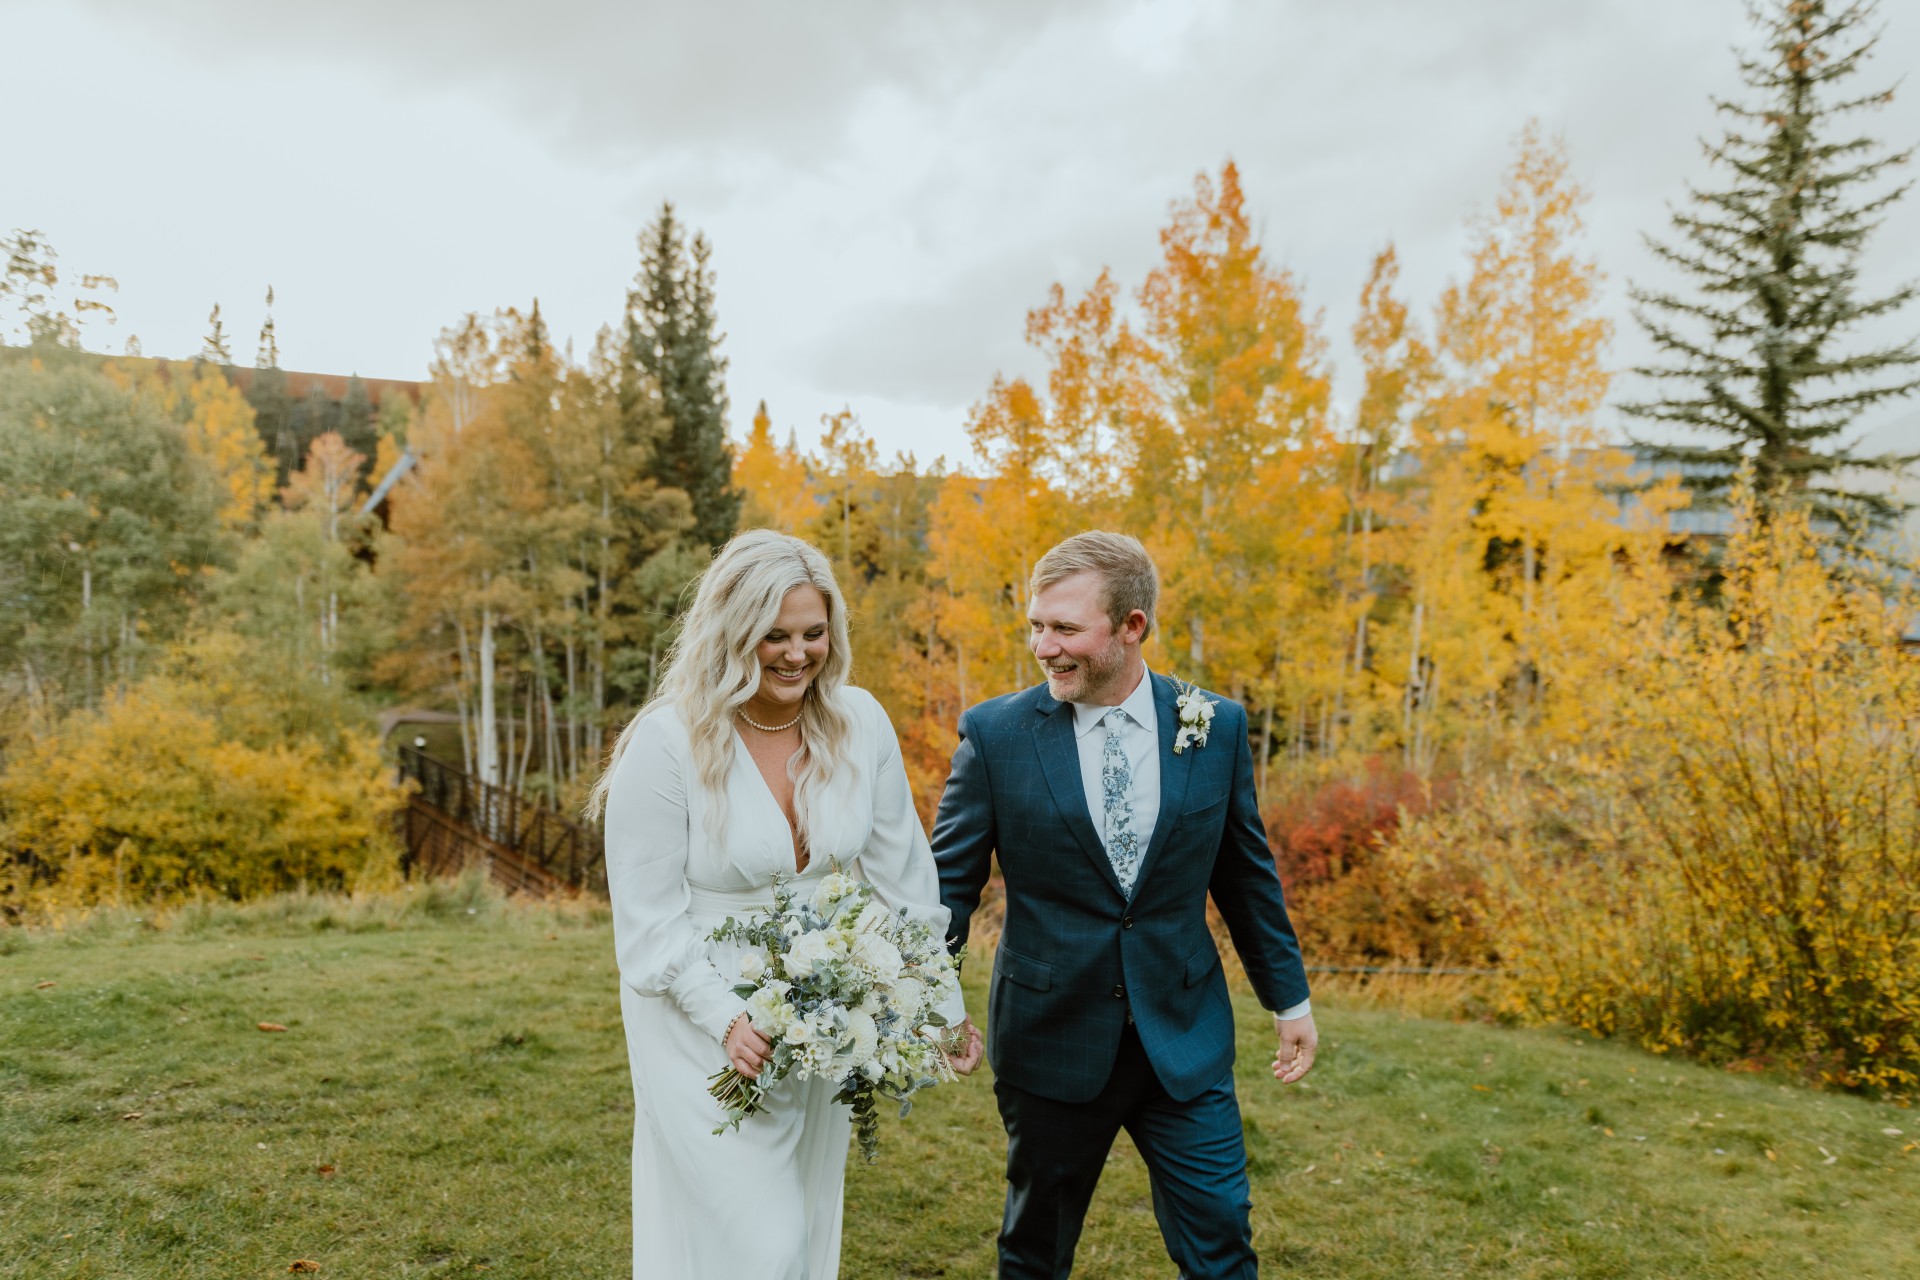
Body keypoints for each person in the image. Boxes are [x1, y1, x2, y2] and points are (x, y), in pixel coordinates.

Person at [589, 530, 983, 1280]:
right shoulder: (668, 742)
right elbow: (645, 925)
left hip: (824, 1015)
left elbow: (905, 881)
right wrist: (725, 1018)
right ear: (733, 633)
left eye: (813, 632)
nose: (797, 654)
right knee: (760, 1248)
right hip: (697, 1020)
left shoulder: (859, 722)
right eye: (775, 635)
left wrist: (940, 1003)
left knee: (801, 1229)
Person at [933, 530, 1317, 1279]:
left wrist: (1290, 999)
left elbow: (1246, 876)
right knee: (1036, 1250)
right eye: (1037, 626)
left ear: (1132, 626)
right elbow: (950, 885)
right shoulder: (995, 733)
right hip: (1051, 1037)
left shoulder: (1216, 725)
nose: (1044, 647)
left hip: (1184, 1035)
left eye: (1065, 628)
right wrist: (933, 1000)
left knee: (1222, 1242)